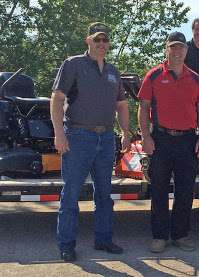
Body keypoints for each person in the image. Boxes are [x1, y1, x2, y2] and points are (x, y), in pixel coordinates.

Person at [51, 22, 130, 262]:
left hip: (106, 138)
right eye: (97, 40)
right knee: (71, 193)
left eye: (105, 40)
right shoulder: (73, 64)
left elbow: (122, 105)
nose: (102, 44)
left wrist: (126, 131)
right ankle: (66, 245)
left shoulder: (114, 71)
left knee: (104, 194)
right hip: (77, 137)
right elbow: (56, 99)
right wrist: (59, 133)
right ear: (88, 41)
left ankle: (104, 240)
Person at [137, 31, 199, 253]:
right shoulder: (154, 76)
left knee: (185, 190)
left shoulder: (195, 78)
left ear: (186, 51)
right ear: (167, 49)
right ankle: (159, 237)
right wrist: (146, 138)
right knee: (158, 189)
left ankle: (181, 235)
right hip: (160, 139)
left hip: (187, 140)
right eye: (173, 47)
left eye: (181, 48)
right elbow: (143, 108)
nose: (177, 52)